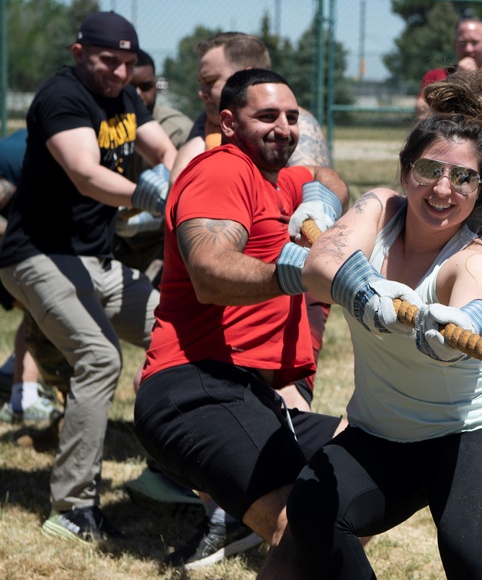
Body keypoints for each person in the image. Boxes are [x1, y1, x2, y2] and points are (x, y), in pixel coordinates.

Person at [271, 68, 482, 579]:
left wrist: (452, 331)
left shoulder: (474, 262)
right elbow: (322, 265)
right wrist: (365, 292)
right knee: (312, 513)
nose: (443, 188)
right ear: (406, 169)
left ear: (481, 190)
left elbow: (477, 326)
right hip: (378, 434)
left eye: (464, 178)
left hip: (466, 434)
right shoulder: (379, 208)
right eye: (429, 169)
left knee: (469, 555)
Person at [133, 68, 350, 575]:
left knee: (368, 457)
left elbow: (325, 176)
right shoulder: (221, 172)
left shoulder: (282, 180)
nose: (285, 128)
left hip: (249, 392)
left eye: (292, 117)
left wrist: (320, 198)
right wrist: (300, 271)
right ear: (229, 123)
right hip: (195, 387)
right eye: (267, 116)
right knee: (300, 527)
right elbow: (209, 271)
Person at [0, 11, 177, 541]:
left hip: (96, 259)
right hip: (36, 256)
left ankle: (182, 471)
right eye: (107, 61)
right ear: (79, 54)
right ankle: (72, 510)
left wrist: (168, 172)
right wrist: (147, 193)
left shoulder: (123, 96)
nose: (119, 72)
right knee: (98, 358)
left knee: (175, 332)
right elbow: (83, 171)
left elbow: (162, 146)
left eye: (128, 63)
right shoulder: (62, 96)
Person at [170, 32, 330, 183]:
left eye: (210, 81)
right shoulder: (209, 120)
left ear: (246, 76)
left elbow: (310, 190)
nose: (201, 93)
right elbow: (177, 182)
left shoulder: (295, 122)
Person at [113, 48, 194, 284]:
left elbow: (189, 206)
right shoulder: (103, 123)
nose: (138, 95)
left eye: (146, 87)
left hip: (161, 241)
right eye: (131, 88)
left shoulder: (177, 131)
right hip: (112, 235)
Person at [0, 129, 61, 425]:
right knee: (37, 304)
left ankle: (15, 377)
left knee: (32, 305)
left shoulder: (29, 140)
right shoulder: (37, 154)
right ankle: (22, 398)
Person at [414, 16, 482, 118]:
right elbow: (421, 110)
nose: (468, 49)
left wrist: (474, 79)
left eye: (474, 42)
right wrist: (457, 79)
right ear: (454, 43)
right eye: (462, 42)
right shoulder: (435, 76)